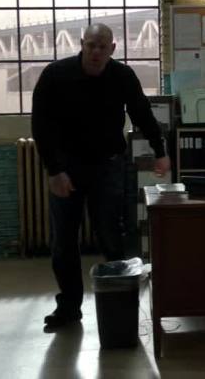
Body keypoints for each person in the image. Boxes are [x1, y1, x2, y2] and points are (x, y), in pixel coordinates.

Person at [31, 23, 170, 329]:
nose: (95, 52)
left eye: (102, 47)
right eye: (91, 45)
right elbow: (41, 125)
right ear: (82, 44)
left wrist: (160, 151)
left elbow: (142, 113)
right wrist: (54, 170)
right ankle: (69, 307)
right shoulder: (56, 74)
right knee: (64, 240)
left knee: (111, 236)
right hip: (66, 167)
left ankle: (120, 305)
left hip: (107, 166)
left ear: (112, 49)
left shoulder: (122, 76)